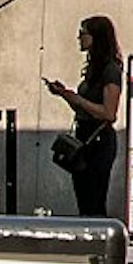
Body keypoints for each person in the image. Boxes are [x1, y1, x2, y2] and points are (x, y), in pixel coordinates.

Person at [42, 16, 120, 220]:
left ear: (96, 37)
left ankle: (98, 242)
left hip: (99, 141)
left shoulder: (110, 69)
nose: (79, 37)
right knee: (84, 197)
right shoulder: (93, 68)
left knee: (94, 198)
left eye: (83, 33)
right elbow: (83, 109)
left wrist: (77, 98)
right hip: (84, 136)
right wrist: (65, 94)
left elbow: (109, 113)